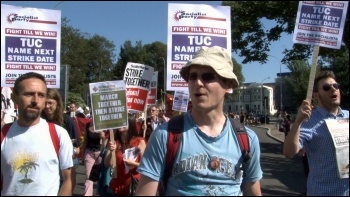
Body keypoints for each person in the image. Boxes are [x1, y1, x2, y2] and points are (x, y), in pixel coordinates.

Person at [136, 46, 263, 196]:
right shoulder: (165, 135)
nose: (198, 83)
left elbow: (253, 191)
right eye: (192, 76)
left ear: (228, 85)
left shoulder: (247, 139)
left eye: (208, 76)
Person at [1, 72, 73, 195]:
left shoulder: (58, 134)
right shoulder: (3, 134)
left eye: (41, 95)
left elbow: (68, 180)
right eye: (29, 94)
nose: (35, 100)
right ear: (14, 98)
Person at [283, 70, 349, 196]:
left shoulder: (347, 116)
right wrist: (298, 121)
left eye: (336, 86)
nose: (333, 89)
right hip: (324, 191)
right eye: (326, 87)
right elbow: (289, 152)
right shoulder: (309, 120)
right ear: (316, 96)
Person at [41, 88, 80, 192]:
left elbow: (77, 147)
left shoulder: (67, 120)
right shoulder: (39, 120)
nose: (47, 106)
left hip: (65, 160)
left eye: (50, 103)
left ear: (57, 103)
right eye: (44, 103)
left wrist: (70, 148)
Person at [104, 113, 146, 196]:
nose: (120, 124)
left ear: (130, 123)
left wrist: (133, 164)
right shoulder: (114, 142)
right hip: (117, 185)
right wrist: (111, 151)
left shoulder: (140, 142)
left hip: (133, 186)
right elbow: (107, 164)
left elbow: (147, 166)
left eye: (123, 121)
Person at [82, 119, 101, 196]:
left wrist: (103, 137)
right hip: (89, 152)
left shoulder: (104, 125)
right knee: (89, 177)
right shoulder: (87, 125)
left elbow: (107, 141)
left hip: (100, 152)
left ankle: (100, 193)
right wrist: (83, 154)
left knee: (100, 176)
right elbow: (85, 141)